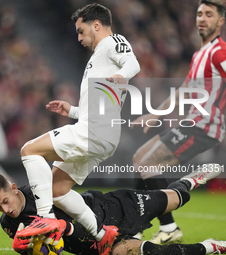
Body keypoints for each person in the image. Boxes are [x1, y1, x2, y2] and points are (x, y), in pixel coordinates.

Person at [19, 3, 140, 254]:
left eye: (81, 30)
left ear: (96, 25)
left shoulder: (112, 42)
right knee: (56, 190)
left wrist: (122, 76)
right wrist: (71, 111)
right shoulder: (99, 57)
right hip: (99, 132)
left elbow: (132, 62)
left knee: (29, 150)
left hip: (94, 132)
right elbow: (100, 106)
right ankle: (101, 234)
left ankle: (46, 220)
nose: (79, 37)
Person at [131, 0, 226, 244]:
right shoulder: (200, 53)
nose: (202, 18)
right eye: (199, 13)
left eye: (209, 14)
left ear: (221, 21)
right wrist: (155, 114)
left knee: (148, 164)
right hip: (192, 122)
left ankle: (155, 227)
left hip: (204, 127)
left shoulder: (220, 52)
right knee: (139, 159)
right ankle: (152, 226)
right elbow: (185, 89)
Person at [0, 164, 226, 255]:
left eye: (5, 201)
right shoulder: (9, 225)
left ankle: (190, 180)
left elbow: (75, 219)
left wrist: (63, 228)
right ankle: (212, 247)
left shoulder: (42, 190)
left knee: (178, 199)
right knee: (132, 252)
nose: (6, 209)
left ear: (13, 188)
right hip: (92, 244)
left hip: (109, 209)